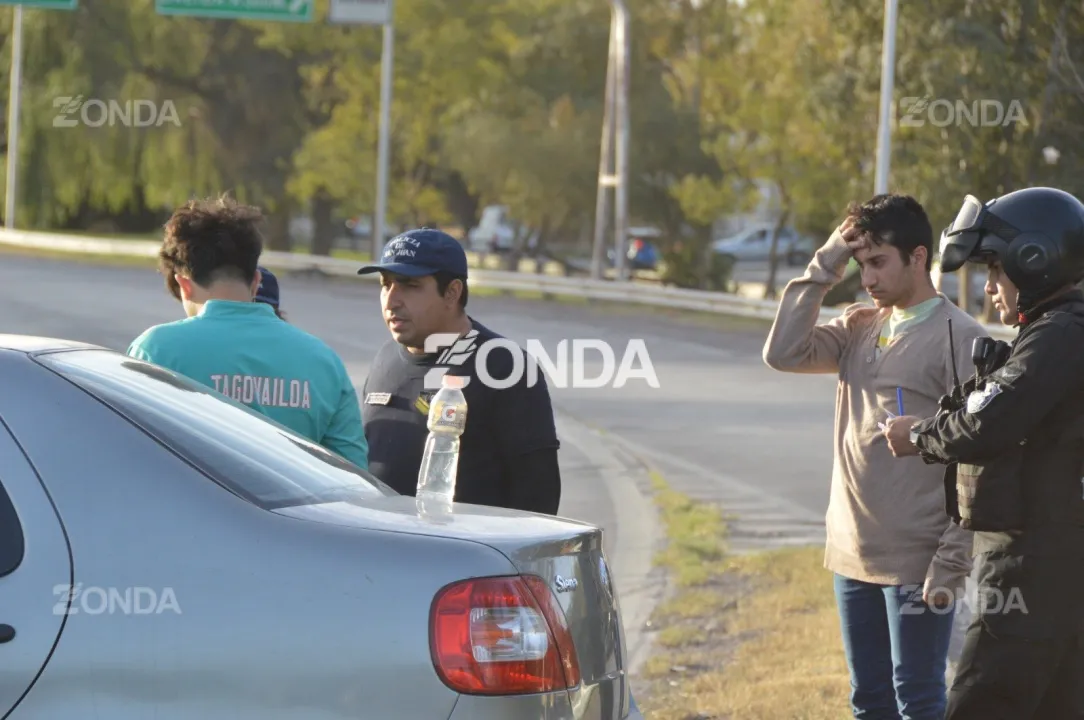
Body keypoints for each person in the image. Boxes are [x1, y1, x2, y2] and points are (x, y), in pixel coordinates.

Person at [762, 193, 988, 719]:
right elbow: (782, 352)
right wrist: (828, 261)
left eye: (879, 262)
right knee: (868, 701)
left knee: (919, 697)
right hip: (850, 551)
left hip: (917, 559)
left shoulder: (963, 340)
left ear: (918, 257)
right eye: (862, 264)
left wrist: (952, 561)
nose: (867, 278)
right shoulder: (859, 327)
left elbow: (981, 459)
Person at [883, 186, 1084, 719]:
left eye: (996, 269)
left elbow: (987, 424)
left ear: (1035, 260)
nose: (990, 286)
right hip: (1053, 562)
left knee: (980, 702)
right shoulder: (1054, 331)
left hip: (1032, 565)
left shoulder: (1059, 334)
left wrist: (919, 435)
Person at [127, 195, 369, 470]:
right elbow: (354, 473)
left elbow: (127, 456)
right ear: (256, 281)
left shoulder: (154, 351)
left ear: (184, 284)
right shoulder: (325, 362)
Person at [357, 227, 561, 515]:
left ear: (452, 292)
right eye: (385, 284)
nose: (391, 301)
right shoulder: (385, 359)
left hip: (464, 555)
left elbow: (539, 498)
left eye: (409, 285)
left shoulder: (505, 366)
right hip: (382, 551)